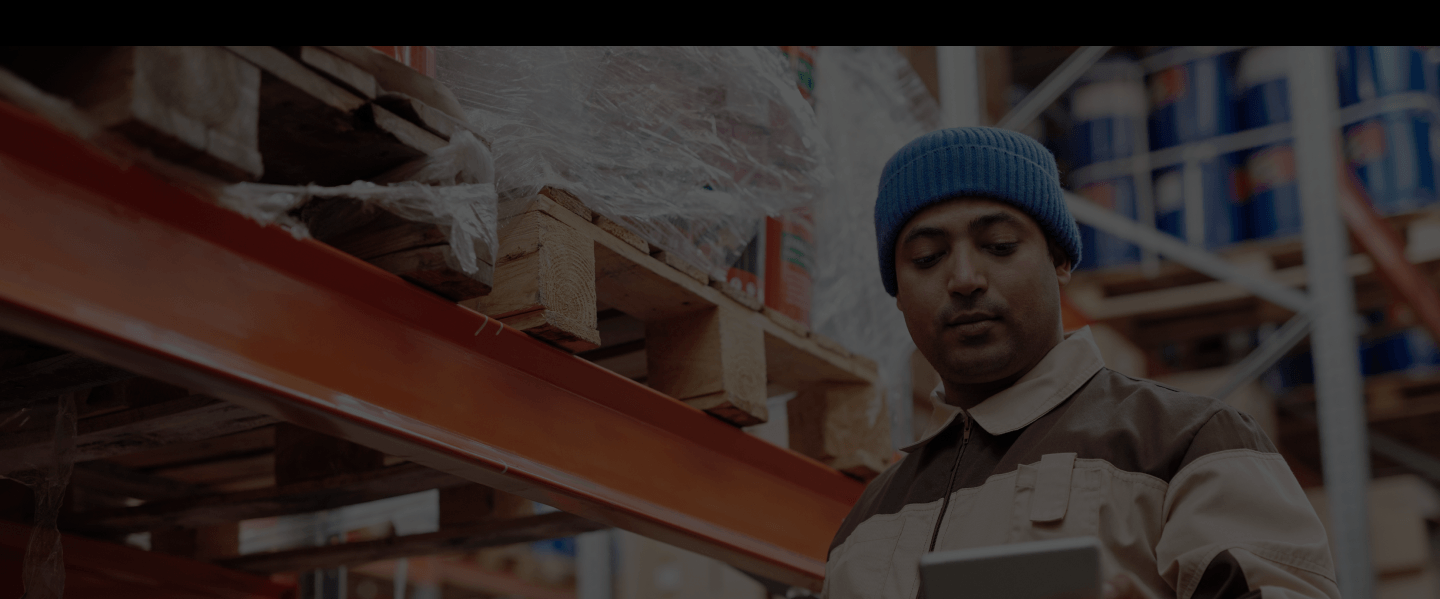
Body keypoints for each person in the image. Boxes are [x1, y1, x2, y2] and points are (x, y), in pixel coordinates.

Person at [819, 127, 1339, 599]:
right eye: (927, 258)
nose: (964, 278)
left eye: (998, 246)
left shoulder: (1188, 443)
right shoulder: (866, 521)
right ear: (897, 294)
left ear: (1060, 260)